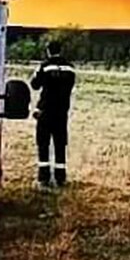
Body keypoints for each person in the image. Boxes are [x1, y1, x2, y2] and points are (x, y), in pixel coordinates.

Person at [31, 41, 77, 188]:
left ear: (48, 51)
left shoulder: (45, 66)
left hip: (46, 110)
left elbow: (35, 84)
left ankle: (44, 178)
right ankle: (60, 177)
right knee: (60, 144)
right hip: (62, 111)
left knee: (43, 143)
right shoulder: (70, 68)